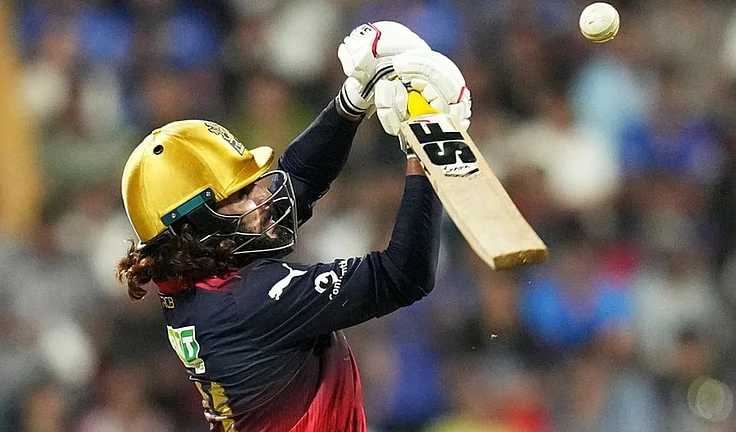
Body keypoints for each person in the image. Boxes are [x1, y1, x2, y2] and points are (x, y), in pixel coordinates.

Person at [115, 22, 471, 432]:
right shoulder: (250, 298)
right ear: (192, 223)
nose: (258, 201)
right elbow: (401, 275)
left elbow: (296, 178)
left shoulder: (192, 276)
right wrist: (427, 153)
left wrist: (352, 101)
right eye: (238, 196)